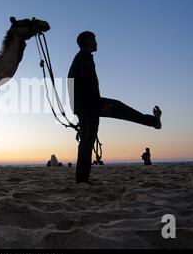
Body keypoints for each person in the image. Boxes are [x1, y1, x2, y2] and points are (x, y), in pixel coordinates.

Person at [68, 31, 162, 184]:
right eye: (94, 39)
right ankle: (154, 122)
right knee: (121, 112)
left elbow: (75, 85)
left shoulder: (77, 59)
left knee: (86, 142)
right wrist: (99, 104)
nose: (96, 42)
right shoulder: (85, 57)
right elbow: (90, 82)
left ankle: (81, 179)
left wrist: (78, 108)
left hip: (82, 106)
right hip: (89, 105)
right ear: (87, 41)